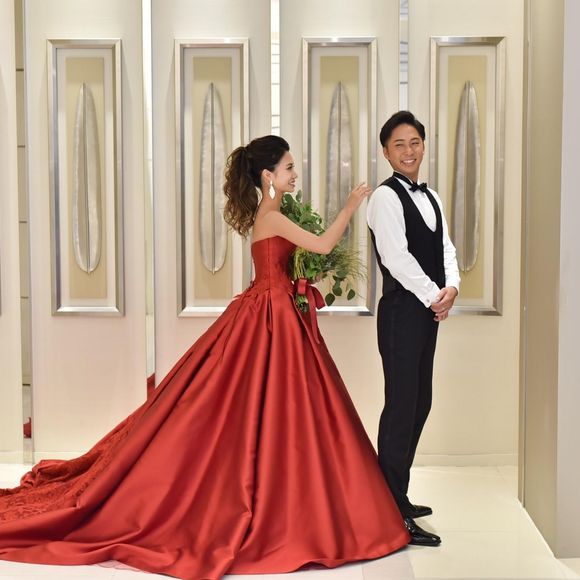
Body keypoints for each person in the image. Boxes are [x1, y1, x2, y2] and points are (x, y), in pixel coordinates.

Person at [0, 135, 410, 580]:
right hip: (271, 315)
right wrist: (350, 206)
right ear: (268, 176)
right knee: (274, 406)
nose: (295, 174)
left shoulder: (273, 212)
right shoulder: (273, 216)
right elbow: (324, 245)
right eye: (289, 167)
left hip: (272, 310)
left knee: (270, 406)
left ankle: (291, 494)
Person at [367, 111, 460, 547]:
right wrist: (433, 295)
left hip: (426, 311)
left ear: (424, 145)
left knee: (420, 402)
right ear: (386, 153)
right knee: (401, 408)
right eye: (399, 144)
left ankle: (397, 495)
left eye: (415, 142)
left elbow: (446, 248)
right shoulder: (384, 199)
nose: (409, 151)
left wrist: (452, 287)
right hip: (402, 314)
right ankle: (391, 510)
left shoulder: (432, 196)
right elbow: (396, 258)